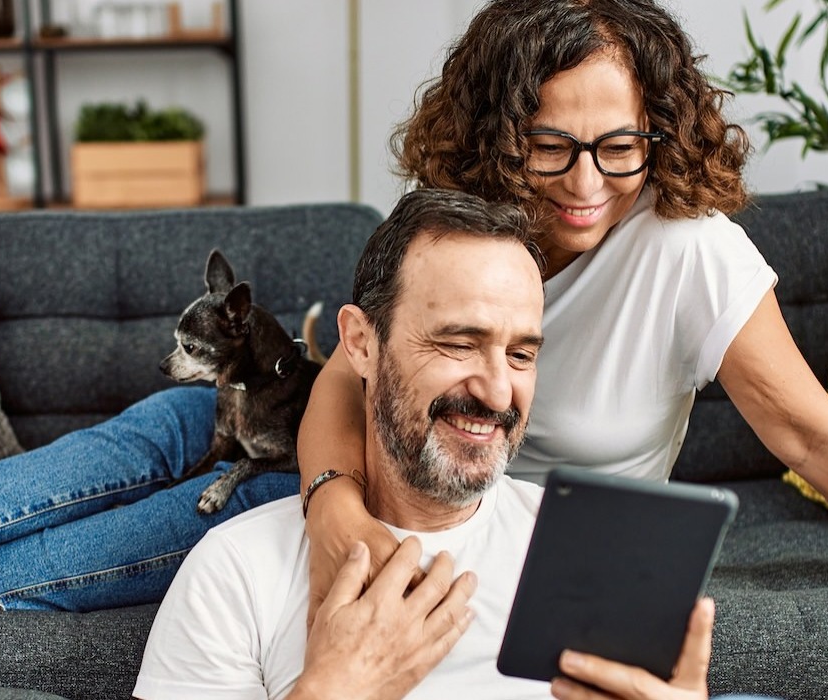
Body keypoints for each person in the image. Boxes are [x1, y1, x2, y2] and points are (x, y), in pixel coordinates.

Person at [296, 0, 828, 615]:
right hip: (380, 498)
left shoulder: (690, 252)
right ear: (497, 137)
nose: (585, 186)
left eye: (619, 148)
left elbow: (809, 435)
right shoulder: (462, 224)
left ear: (660, 134)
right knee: (187, 430)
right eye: (549, 146)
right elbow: (345, 378)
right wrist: (332, 506)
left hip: (532, 558)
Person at [136, 186, 735, 700]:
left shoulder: (597, 559)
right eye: (458, 344)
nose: (499, 392)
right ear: (361, 345)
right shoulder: (235, 572)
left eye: (522, 354)